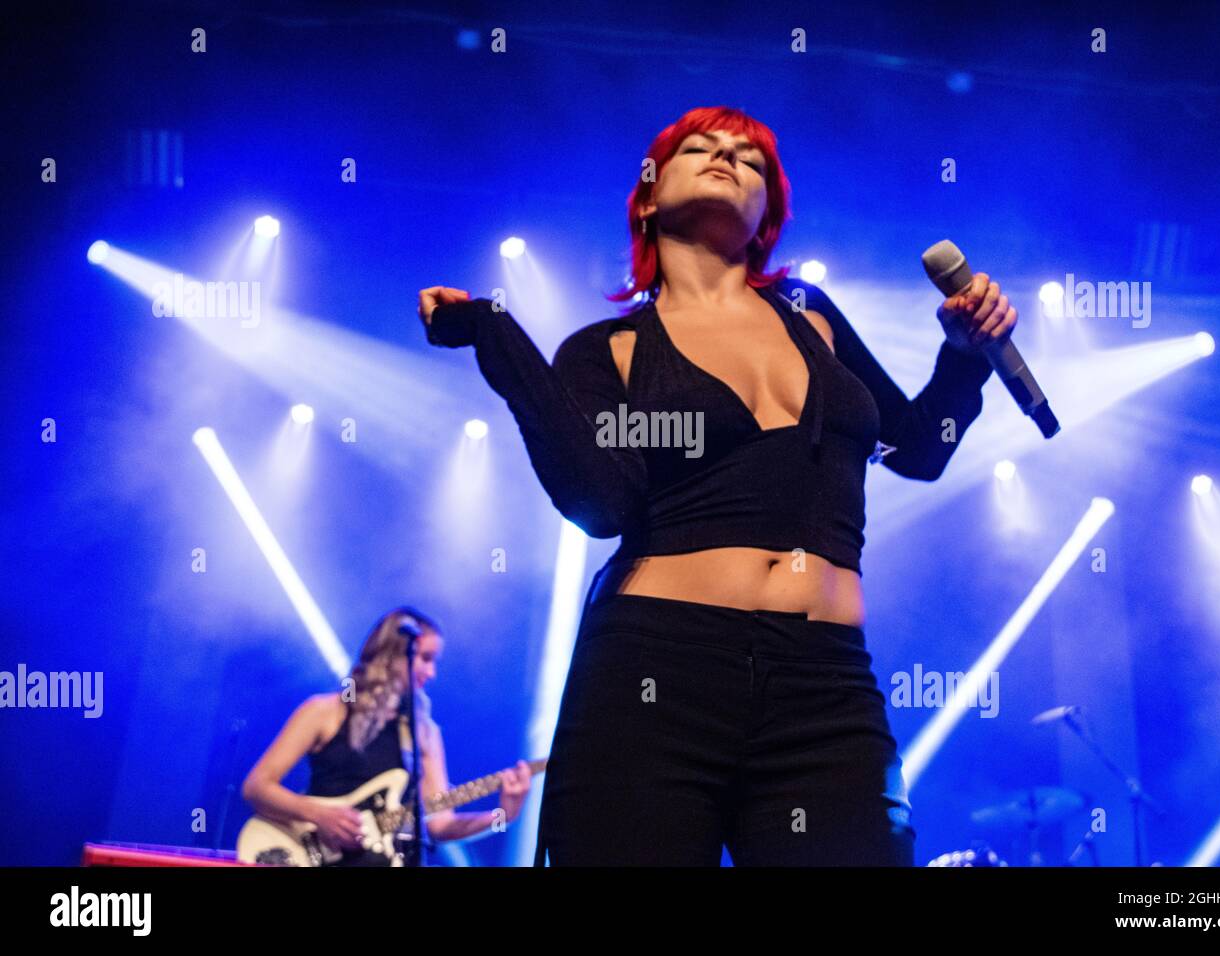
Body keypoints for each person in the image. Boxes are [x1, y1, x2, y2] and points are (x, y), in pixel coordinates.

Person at [418, 106, 1017, 865]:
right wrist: (496, 338)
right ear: (647, 196)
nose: (728, 158)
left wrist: (963, 359)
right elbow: (600, 504)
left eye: (751, 159)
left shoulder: (812, 317)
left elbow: (917, 450)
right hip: (655, 671)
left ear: (768, 215)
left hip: (824, 680)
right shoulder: (610, 351)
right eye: (699, 148)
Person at [241, 607, 532, 865]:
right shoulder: (325, 711)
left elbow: (440, 825)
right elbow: (256, 787)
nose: (432, 672)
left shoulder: (424, 732)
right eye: (425, 658)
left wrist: (501, 816)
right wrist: (318, 814)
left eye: (435, 661)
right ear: (393, 652)